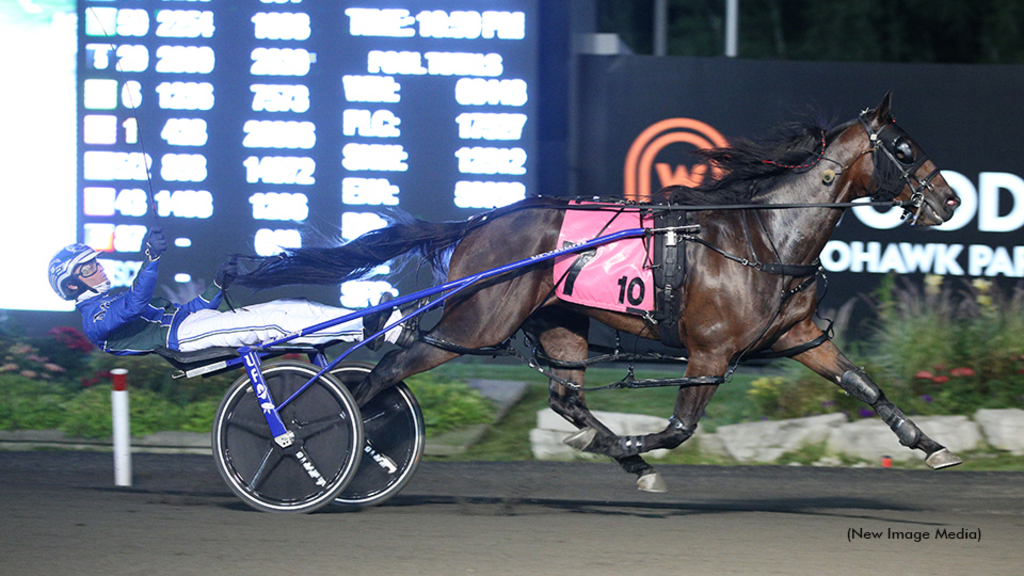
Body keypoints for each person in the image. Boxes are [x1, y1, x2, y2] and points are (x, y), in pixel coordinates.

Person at [47, 227, 413, 355]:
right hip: (184, 341)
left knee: (290, 305)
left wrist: (218, 285)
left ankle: (380, 323)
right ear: (74, 283)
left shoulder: (110, 300)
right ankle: (375, 328)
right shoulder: (94, 320)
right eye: (89, 267)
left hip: (194, 324)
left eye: (96, 261)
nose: (99, 267)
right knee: (275, 322)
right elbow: (134, 305)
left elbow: (191, 309)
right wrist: (150, 258)